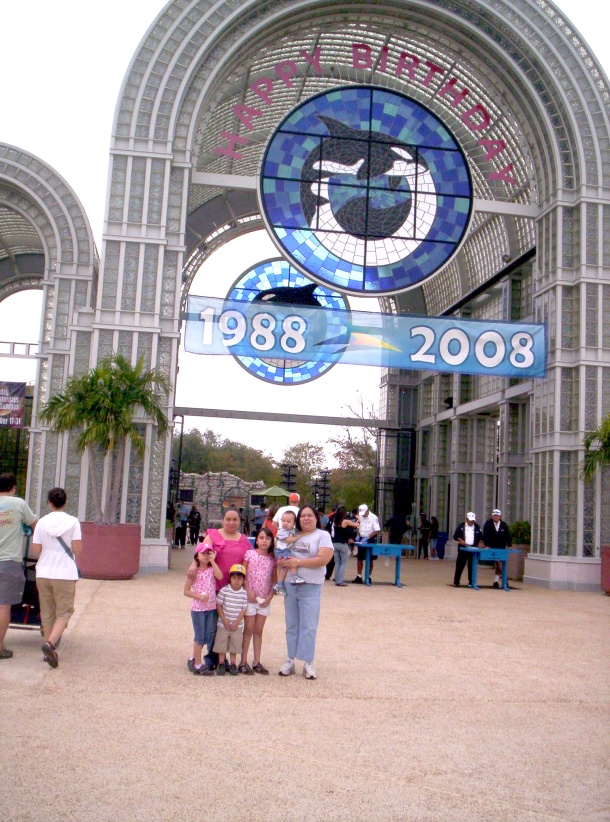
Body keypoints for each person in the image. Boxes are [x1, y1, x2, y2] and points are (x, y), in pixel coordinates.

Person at [277, 505, 333, 680]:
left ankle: (308, 662)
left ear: (316, 518)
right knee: (291, 624)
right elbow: (279, 552)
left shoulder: (322, 536)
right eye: (303, 516)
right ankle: (290, 659)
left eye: (310, 515)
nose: (306, 519)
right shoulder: (290, 535)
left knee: (309, 625)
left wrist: (298, 562)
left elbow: (323, 559)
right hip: (291, 585)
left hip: (311, 585)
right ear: (298, 519)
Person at [30, 487, 80, 669]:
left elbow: (36, 550)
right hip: (65, 572)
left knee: (47, 612)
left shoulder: (42, 522)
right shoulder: (73, 522)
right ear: (65, 502)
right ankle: (50, 644)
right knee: (65, 612)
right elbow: (77, 549)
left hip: (43, 571)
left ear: (49, 503)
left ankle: (48, 645)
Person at [0, 473, 37, 660]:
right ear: (13, 488)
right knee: (3, 606)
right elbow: (35, 525)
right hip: (8, 561)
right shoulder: (19, 504)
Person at [239, 527, 276, 675]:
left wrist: (270, 597)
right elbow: (242, 573)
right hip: (250, 597)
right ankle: (243, 661)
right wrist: (248, 591)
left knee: (259, 631)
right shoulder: (249, 555)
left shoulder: (273, 559)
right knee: (248, 629)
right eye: (261, 538)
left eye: (267, 538)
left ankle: (257, 661)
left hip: (264, 599)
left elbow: (274, 580)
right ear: (257, 540)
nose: (264, 541)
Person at [184, 545, 222, 675]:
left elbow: (220, 576)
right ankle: (198, 665)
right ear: (197, 556)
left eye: (208, 553)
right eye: (203, 553)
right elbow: (186, 591)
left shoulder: (211, 570)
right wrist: (199, 596)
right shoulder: (193, 572)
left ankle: (194, 658)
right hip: (198, 609)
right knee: (199, 637)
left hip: (210, 608)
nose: (206, 556)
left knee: (207, 636)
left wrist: (213, 561)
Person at [214, 564, 248, 675]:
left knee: (235, 644)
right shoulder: (224, 590)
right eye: (234, 578)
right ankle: (221, 663)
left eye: (240, 578)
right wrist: (224, 620)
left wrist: (237, 622)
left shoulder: (243, 593)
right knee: (221, 643)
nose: (237, 581)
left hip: (237, 626)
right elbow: (219, 605)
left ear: (243, 580)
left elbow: (244, 609)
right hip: (223, 624)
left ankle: (233, 663)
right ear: (230, 578)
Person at [272, 509, 303, 595]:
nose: (285, 523)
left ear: (294, 523)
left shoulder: (292, 530)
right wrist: (298, 537)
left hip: (285, 551)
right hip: (281, 551)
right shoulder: (281, 531)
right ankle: (293, 577)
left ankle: (279, 585)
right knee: (293, 561)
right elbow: (288, 540)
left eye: (288, 521)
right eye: (283, 521)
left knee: (284, 569)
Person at [453, 512, 484, 587]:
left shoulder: (477, 527)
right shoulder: (461, 526)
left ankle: (471, 582)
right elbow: (455, 536)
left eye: (473, 520)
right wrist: (461, 540)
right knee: (460, 565)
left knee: (472, 566)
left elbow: (481, 537)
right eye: (470, 520)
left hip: (473, 549)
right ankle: (456, 581)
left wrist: (480, 543)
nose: (471, 522)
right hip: (463, 549)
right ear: (466, 519)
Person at [483, 508, 512, 588]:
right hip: (491, 547)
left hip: (501, 547)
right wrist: (487, 544)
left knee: (498, 564)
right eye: (494, 515)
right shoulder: (488, 524)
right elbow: (485, 535)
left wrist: (509, 545)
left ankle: (495, 581)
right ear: (492, 516)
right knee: (498, 562)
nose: (496, 517)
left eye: (497, 515)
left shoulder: (504, 525)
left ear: (500, 516)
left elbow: (508, 536)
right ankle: (505, 579)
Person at [352, 504, 381, 584]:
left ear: (368, 510)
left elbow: (376, 530)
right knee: (360, 558)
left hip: (370, 539)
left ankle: (369, 576)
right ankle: (359, 576)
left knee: (370, 559)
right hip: (361, 538)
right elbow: (358, 526)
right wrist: (358, 535)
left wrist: (368, 537)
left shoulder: (374, 518)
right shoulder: (360, 517)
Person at [331, 506, 358, 586]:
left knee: (337, 562)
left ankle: (336, 579)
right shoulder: (345, 521)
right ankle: (340, 580)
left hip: (335, 543)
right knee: (343, 562)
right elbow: (356, 525)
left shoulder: (335, 521)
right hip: (343, 543)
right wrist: (358, 519)